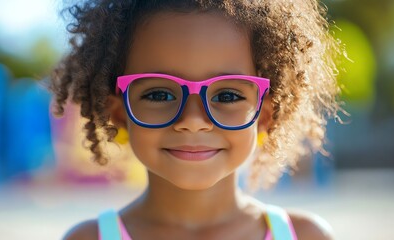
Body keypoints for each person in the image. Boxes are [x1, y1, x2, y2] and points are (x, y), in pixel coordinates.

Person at [50, 0, 342, 239]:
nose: (193, 120)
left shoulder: (305, 236)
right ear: (120, 114)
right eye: (160, 95)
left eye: (227, 96)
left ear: (263, 116)